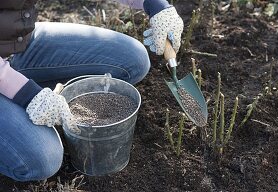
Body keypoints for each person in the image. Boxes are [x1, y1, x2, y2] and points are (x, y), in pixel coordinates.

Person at [0, 0, 183, 181]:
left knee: (134, 60)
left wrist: (155, 5)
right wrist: (26, 94)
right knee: (42, 158)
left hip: (14, 42)